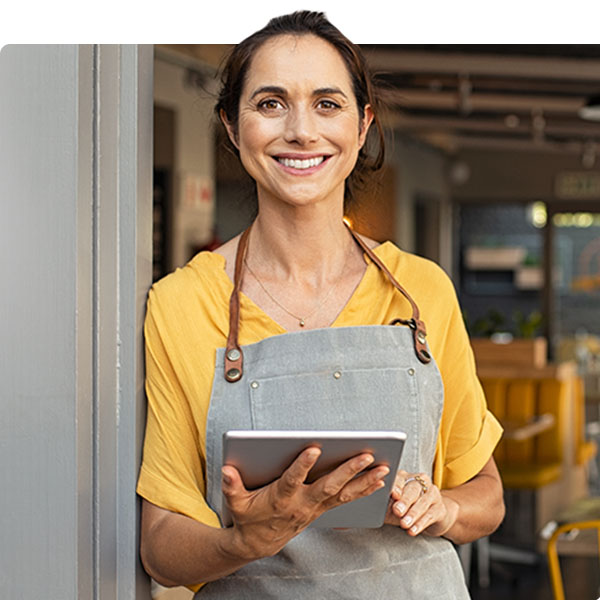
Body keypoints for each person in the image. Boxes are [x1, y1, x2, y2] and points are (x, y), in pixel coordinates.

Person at [137, 11, 505, 599]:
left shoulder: (421, 291)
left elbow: (484, 495)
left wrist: (441, 508)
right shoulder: (183, 302)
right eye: (271, 103)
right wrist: (244, 540)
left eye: (328, 104)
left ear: (362, 127)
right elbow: (160, 545)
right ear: (233, 127)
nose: (302, 131)